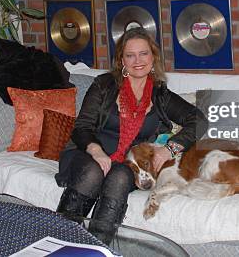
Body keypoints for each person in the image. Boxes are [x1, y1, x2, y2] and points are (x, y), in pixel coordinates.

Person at [55, 27, 208, 244]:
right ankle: (59, 242)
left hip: (128, 164)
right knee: (93, 171)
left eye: (143, 53)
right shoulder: (104, 85)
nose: (138, 60)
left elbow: (199, 121)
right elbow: (82, 127)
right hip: (88, 153)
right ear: (121, 61)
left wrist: (169, 149)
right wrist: (97, 151)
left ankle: (97, 248)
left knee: (120, 177)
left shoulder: (161, 95)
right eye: (130, 55)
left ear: (153, 57)